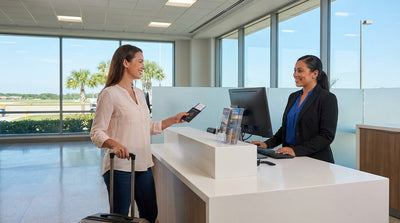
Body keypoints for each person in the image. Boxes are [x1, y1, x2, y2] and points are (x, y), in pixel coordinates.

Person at [90, 44, 188, 223]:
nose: (143, 66)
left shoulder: (140, 93)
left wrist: (173, 119)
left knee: (150, 214)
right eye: (140, 61)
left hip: (143, 165)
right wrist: (115, 144)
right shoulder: (109, 94)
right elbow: (96, 132)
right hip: (119, 168)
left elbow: (147, 127)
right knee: (120, 218)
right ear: (125, 63)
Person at [251, 55, 338, 163]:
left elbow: (326, 136)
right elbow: (285, 129)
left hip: (315, 161)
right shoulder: (294, 96)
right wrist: (267, 144)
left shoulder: (327, 98)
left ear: (314, 74)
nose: (295, 74)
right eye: (295, 70)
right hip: (291, 159)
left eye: (300, 71)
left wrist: (295, 150)